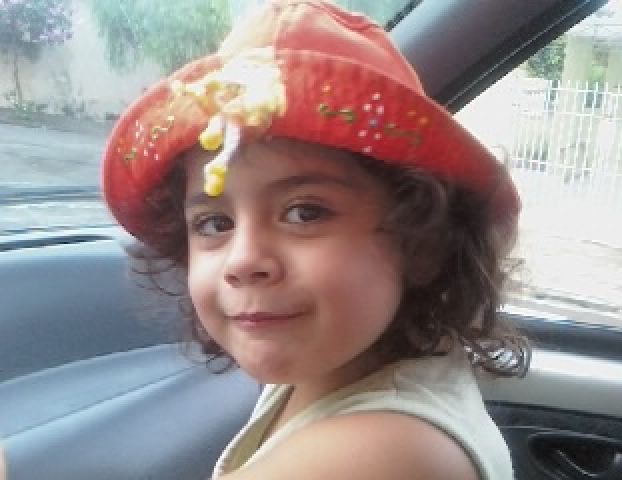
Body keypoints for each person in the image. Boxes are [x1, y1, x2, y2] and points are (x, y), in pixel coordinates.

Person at [101, 1, 530, 479]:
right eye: (214, 224)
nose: (243, 261)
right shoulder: (346, 372)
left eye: (305, 213)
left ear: (422, 243)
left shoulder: (381, 451)